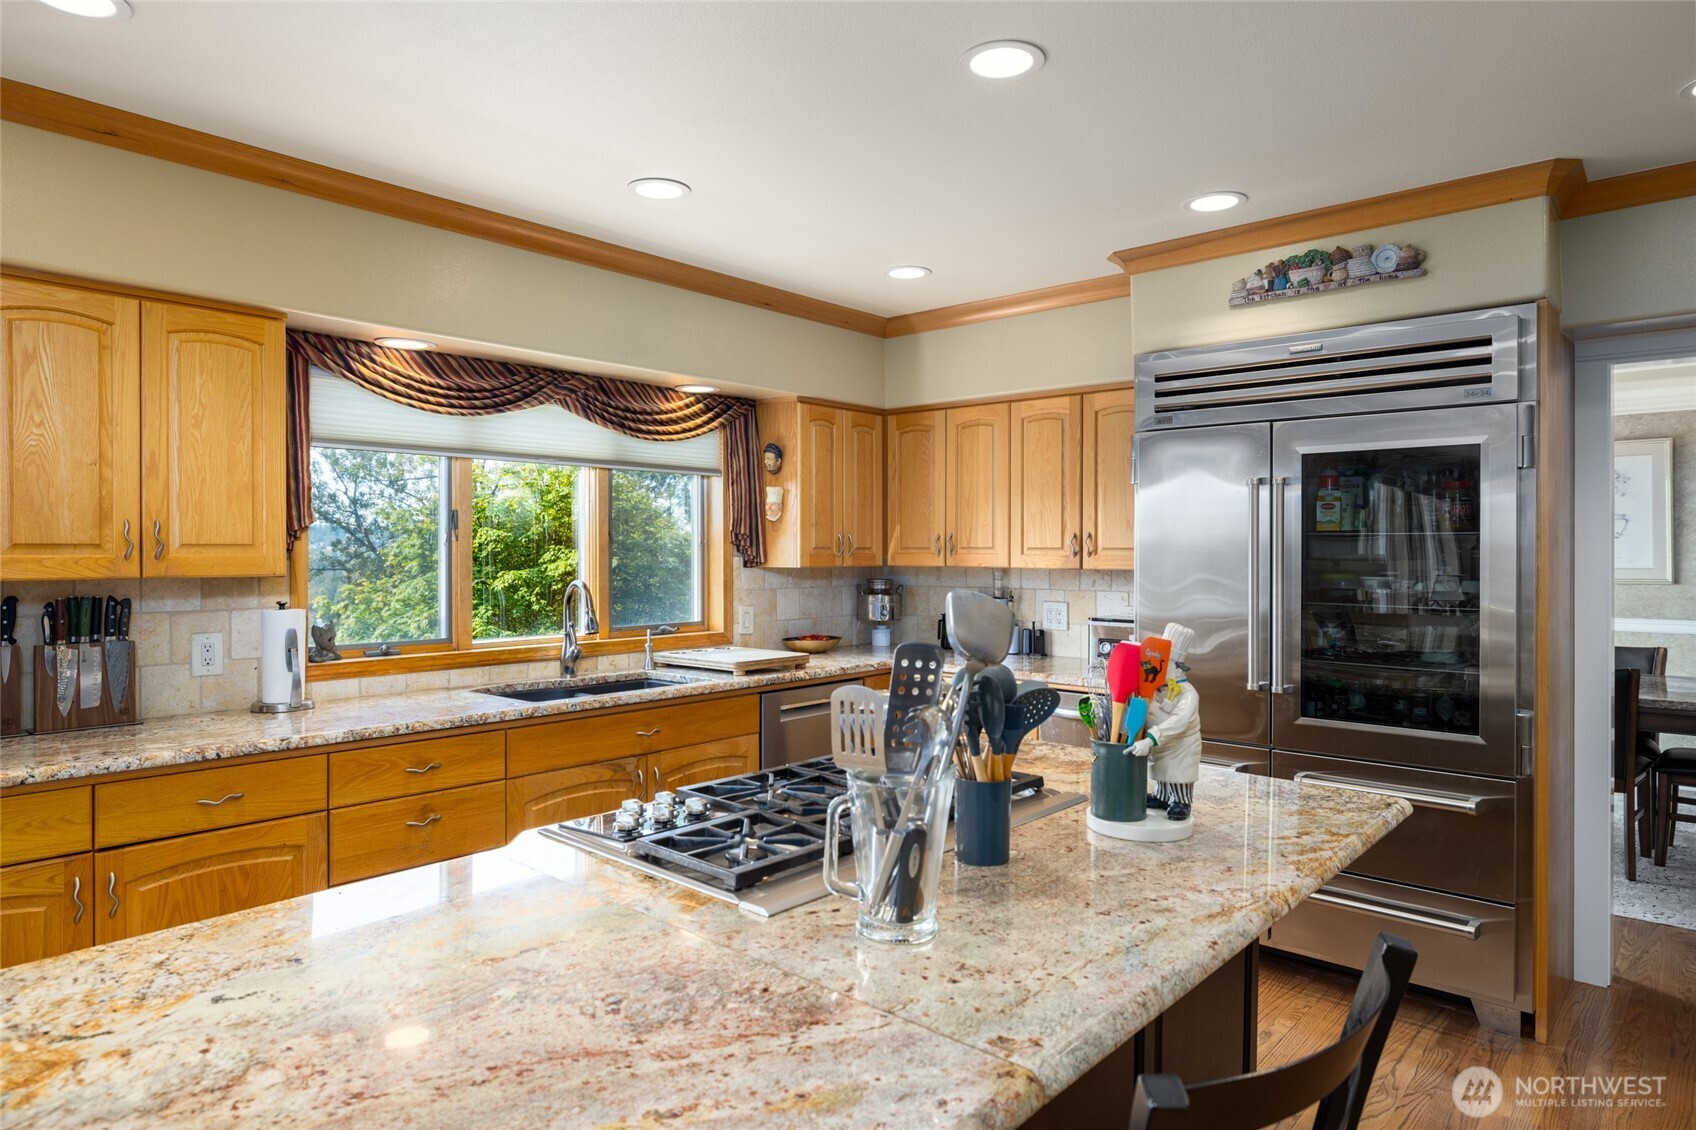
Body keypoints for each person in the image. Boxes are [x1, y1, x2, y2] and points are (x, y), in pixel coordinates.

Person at [1135, 623, 1200, 821]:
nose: (1158, 668)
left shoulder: (1188, 694)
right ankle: (1162, 796)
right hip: (1161, 746)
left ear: (1178, 669)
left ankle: (1181, 802)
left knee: (1178, 774)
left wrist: (1151, 738)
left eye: (1164, 664)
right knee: (1162, 771)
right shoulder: (1156, 688)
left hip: (1181, 746)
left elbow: (1179, 722)